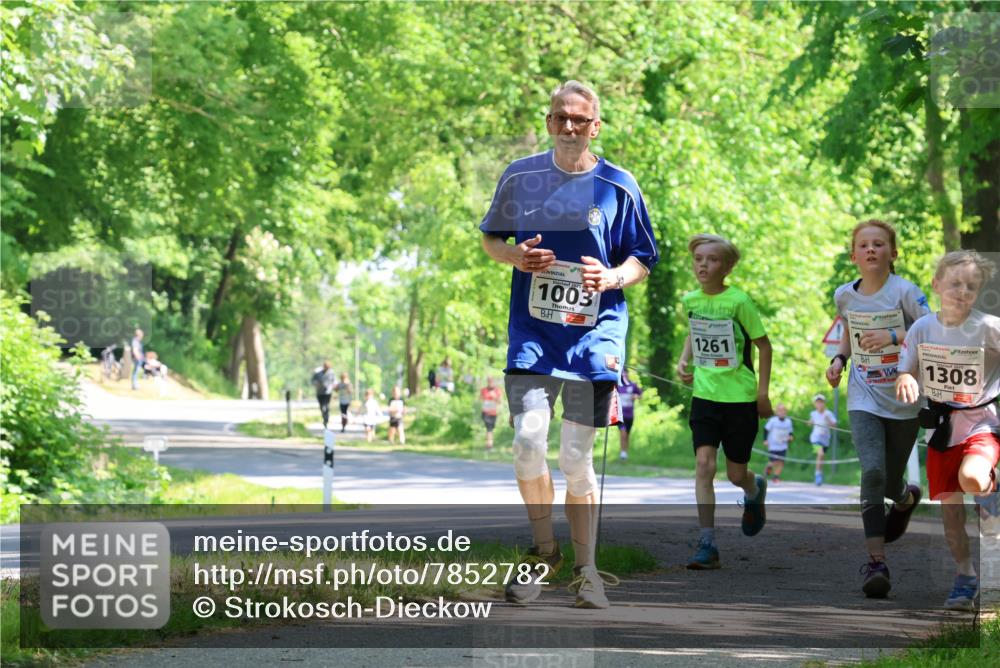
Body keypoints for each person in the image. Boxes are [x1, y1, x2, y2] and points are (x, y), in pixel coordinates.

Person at [480, 80, 658, 609]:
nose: (569, 126)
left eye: (580, 118)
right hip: (534, 336)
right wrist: (517, 258)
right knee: (527, 444)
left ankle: (587, 571)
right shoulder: (521, 176)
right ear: (550, 121)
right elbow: (492, 238)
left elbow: (642, 258)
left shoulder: (619, 186)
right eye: (560, 117)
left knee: (576, 459)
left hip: (594, 340)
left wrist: (611, 278)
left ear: (596, 126)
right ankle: (544, 552)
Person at [826, 219, 929, 598]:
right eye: (864, 245)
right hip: (864, 396)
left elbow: (931, 328)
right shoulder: (845, 296)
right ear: (854, 256)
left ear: (893, 253)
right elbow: (848, 333)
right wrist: (839, 359)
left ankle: (904, 498)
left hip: (904, 399)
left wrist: (891, 336)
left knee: (889, 481)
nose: (871, 250)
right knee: (871, 472)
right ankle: (876, 563)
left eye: (879, 244)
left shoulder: (905, 292)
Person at [897, 250, 1000, 612]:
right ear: (937, 285)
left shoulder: (988, 327)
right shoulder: (923, 327)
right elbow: (905, 367)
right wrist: (907, 379)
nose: (962, 291)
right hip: (941, 428)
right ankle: (965, 577)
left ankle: (991, 490)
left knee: (971, 477)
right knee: (952, 515)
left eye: (971, 286)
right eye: (955, 283)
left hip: (980, 423)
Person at [676, 234, 772, 571]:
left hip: (740, 398)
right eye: (698, 258)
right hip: (705, 396)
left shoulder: (738, 301)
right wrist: (683, 360)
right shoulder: (690, 299)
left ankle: (753, 488)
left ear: (727, 266)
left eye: (712, 259)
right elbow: (694, 330)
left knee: (735, 474)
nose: (703, 265)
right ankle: (707, 542)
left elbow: (764, 346)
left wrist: (762, 393)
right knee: (704, 465)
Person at [808, 393, 838, 485]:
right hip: (815, 439)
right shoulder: (813, 414)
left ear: (824, 403)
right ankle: (817, 475)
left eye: (821, 402)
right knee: (820, 454)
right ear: (815, 404)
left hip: (825, 439)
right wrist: (810, 422)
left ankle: (819, 473)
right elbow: (810, 424)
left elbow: (834, 425)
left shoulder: (828, 413)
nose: (819, 404)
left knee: (821, 457)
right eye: (817, 402)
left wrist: (828, 419)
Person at [616, 370, 643, 461]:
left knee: (627, 434)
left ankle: (625, 452)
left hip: (630, 415)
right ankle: (622, 453)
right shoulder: (618, 386)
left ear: (627, 374)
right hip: (620, 415)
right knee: (622, 433)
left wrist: (636, 396)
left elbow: (640, 394)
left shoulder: (633, 385)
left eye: (625, 373)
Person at [763, 403, 793, 484]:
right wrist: (765, 440)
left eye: (783, 410)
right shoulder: (773, 421)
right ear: (776, 412)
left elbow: (790, 432)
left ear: (786, 412)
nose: (782, 412)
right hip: (773, 445)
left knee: (781, 462)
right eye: (780, 410)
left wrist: (790, 437)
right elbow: (766, 429)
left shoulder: (788, 422)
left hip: (783, 445)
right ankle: (768, 468)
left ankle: (776, 477)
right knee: (774, 461)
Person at [311, 360, 336, 429]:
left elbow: (334, 381)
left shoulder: (331, 373)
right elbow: (312, 380)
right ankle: (324, 417)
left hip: (328, 392)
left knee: (326, 406)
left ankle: (326, 418)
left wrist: (334, 386)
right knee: (322, 406)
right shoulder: (318, 373)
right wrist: (316, 383)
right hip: (320, 392)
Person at [480, 377, 503, 450]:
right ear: (487, 382)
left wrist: (494, 397)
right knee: (489, 429)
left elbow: (500, 402)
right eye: (489, 381)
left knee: (491, 429)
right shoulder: (483, 390)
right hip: (485, 412)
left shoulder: (497, 390)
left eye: (492, 381)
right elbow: (480, 399)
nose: (490, 383)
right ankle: (489, 446)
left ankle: (488, 444)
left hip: (493, 412)